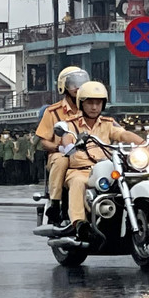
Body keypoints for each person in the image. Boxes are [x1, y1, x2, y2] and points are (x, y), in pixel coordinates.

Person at [57, 81, 144, 237]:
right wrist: (70, 145)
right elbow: (67, 137)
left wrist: (143, 144)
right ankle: (79, 223)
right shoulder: (71, 124)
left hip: (104, 168)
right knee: (77, 182)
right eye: (90, 103)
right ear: (81, 103)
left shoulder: (108, 124)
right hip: (80, 170)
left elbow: (123, 134)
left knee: (130, 179)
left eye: (98, 103)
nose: (94, 107)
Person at [35, 66, 89, 223]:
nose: (78, 88)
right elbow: (44, 141)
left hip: (87, 155)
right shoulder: (52, 112)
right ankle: (55, 203)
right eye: (73, 84)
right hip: (60, 153)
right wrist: (59, 148)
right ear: (63, 86)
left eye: (82, 83)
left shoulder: (91, 109)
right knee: (62, 159)